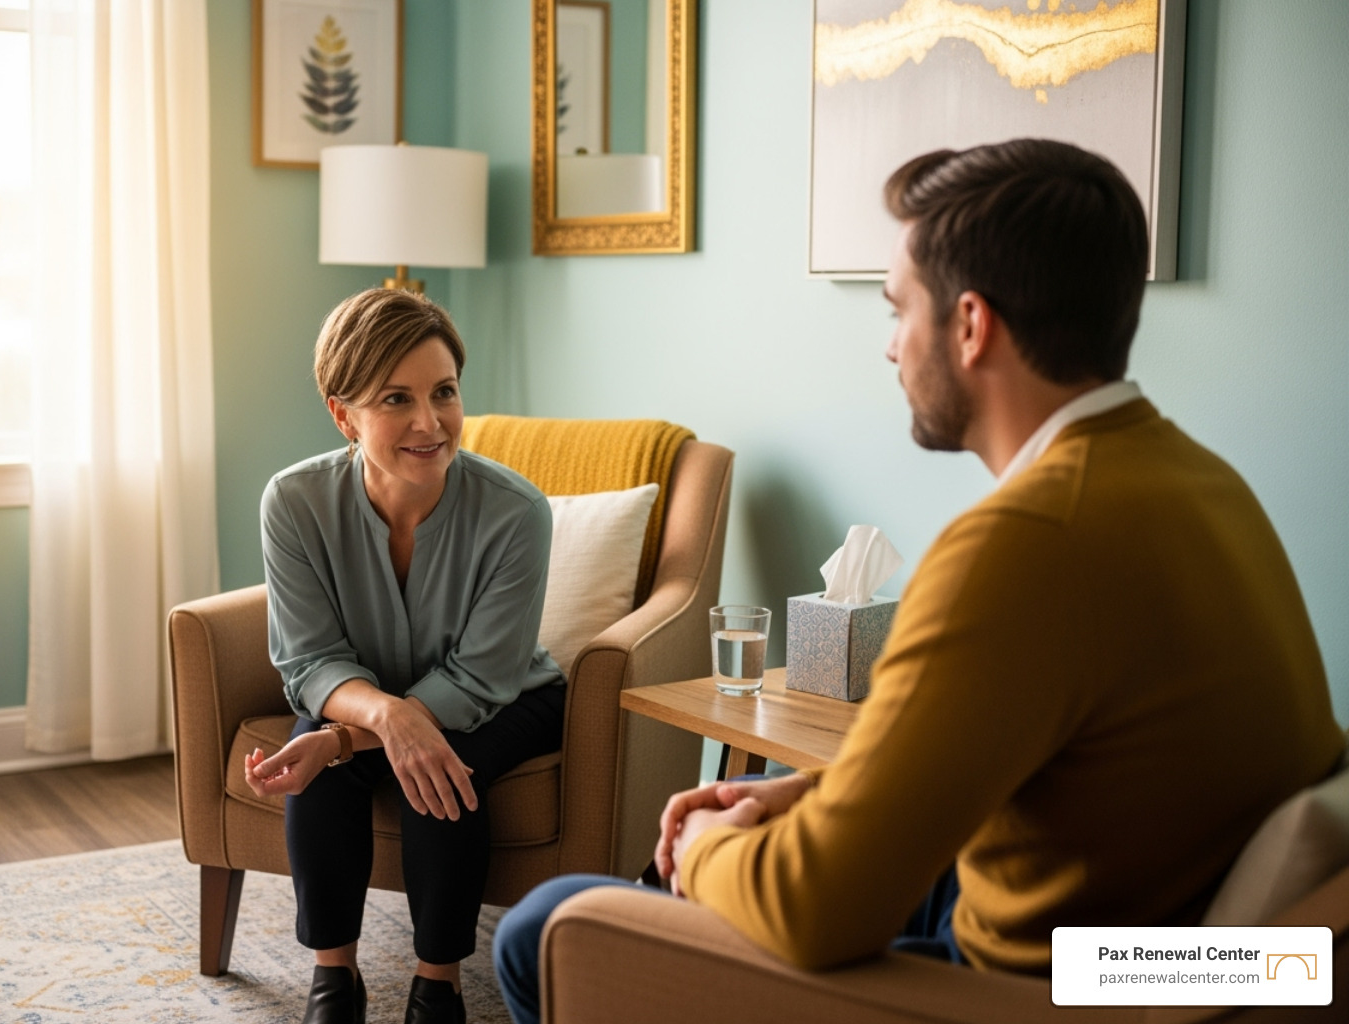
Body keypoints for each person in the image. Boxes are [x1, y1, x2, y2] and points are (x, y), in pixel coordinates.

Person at [493, 139, 1344, 1023]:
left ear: (971, 326)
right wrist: (822, 790)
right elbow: (1058, 761)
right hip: (1158, 953)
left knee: (547, 929)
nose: (891, 347)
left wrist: (705, 845)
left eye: (899, 309)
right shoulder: (1200, 482)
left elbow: (812, 911)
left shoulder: (1022, 545)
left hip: (1039, 989)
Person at [249, 288, 566, 1024]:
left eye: (444, 393)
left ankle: (437, 987)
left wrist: (347, 737)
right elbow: (308, 659)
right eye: (396, 399)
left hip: (508, 696)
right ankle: (335, 982)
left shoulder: (516, 512)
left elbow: (484, 675)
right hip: (366, 695)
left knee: (441, 767)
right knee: (323, 772)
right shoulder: (292, 502)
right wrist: (374, 721)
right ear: (343, 414)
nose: (430, 423)